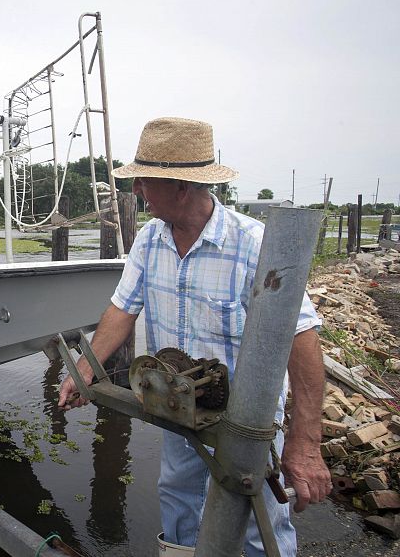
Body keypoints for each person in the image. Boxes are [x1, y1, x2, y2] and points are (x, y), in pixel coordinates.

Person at [58, 117, 330, 556]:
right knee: (179, 496)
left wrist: (305, 442)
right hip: (176, 402)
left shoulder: (253, 243)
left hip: (247, 421)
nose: (136, 190)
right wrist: (85, 370)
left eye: (144, 181)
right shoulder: (150, 239)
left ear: (181, 187)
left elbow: (301, 338)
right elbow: (122, 309)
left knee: (259, 519)